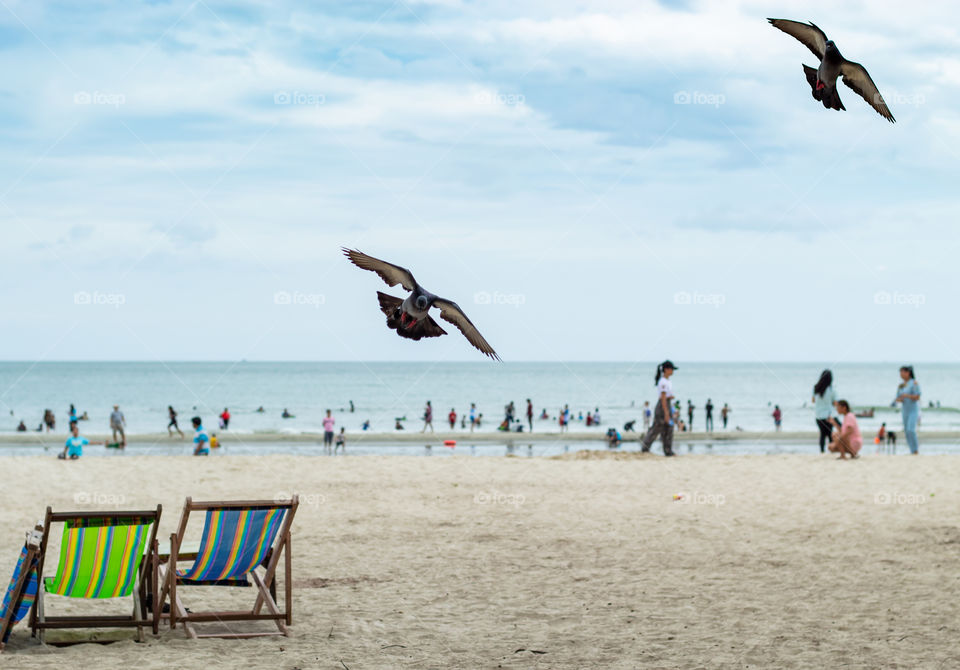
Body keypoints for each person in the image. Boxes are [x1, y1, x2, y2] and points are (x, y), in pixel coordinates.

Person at [641, 360, 678, 456]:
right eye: (671, 369)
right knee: (657, 428)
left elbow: (666, 396)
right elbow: (663, 398)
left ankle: (668, 450)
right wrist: (666, 413)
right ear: (666, 369)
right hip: (663, 406)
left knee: (668, 428)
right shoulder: (663, 382)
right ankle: (645, 447)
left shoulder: (667, 381)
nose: (673, 371)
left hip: (667, 404)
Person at [895, 365, 921, 455]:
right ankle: (912, 450)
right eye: (900, 372)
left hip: (913, 410)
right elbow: (897, 398)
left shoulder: (914, 383)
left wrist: (907, 396)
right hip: (905, 410)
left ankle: (916, 450)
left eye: (902, 372)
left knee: (911, 430)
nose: (901, 374)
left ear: (908, 373)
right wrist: (899, 399)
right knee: (906, 431)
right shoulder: (901, 385)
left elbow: (917, 396)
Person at [812, 369, 837, 453]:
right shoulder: (831, 390)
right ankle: (831, 450)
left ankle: (822, 451)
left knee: (822, 434)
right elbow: (835, 403)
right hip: (828, 415)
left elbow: (813, 400)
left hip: (818, 415)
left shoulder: (816, 388)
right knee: (830, 435)